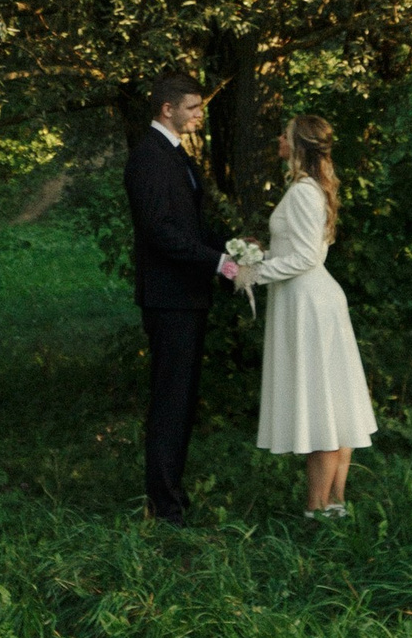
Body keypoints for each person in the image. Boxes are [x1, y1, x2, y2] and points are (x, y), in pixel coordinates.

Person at [228, 112, 375, 516]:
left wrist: (253, 273)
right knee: (332, 404)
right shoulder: (306, 189)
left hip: (309, 304)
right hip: (305, 299)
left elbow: (308, 257)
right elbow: (297, 250)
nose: (279, 138)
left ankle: (318, 511)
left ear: (299, 145)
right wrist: (263, 254)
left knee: (322, 407)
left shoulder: (305, 191)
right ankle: (333, 505)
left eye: (286, 134)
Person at [123, 69, 239, 525]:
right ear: (167, 109)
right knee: (171, 402)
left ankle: (172, 498)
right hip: (168, 298)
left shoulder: (177, 157)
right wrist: (216, 263)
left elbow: (189, 227)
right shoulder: (148, 159)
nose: (199, 117)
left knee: (183, 399)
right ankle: (164, 507)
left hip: (187, 296)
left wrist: (231, 250)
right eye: (192, 108)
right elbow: (160, 232)